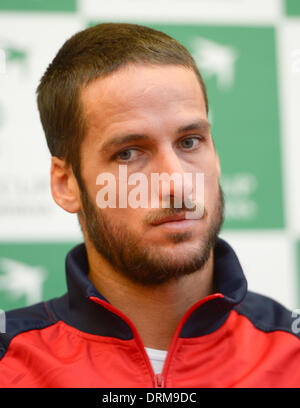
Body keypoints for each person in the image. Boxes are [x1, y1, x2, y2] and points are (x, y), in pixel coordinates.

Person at [0, 22, 299, 388]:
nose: (176, 183)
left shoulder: (292, 354)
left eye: (190, 142)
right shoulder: (8, 362)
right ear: (66, 184)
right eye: (128, 153)